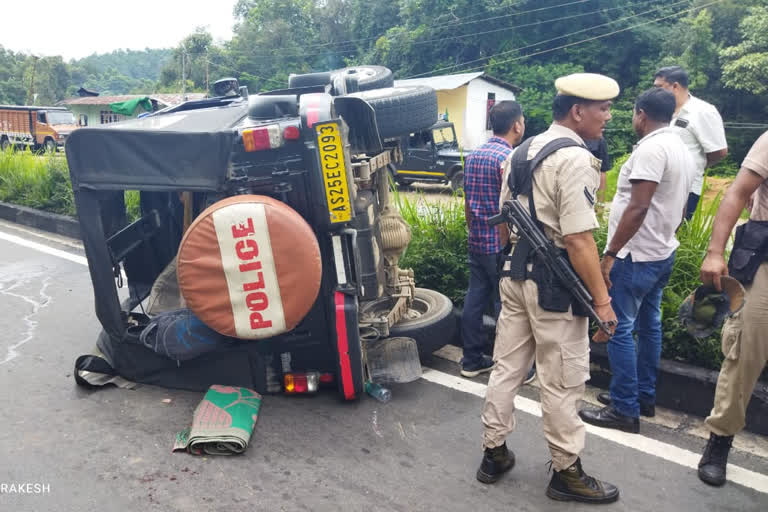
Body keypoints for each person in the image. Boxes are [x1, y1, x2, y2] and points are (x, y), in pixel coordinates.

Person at [477, 73, 620, 504]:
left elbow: (506, 219)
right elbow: (578, 239)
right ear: (578, 112)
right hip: (554, 287)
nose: (608, 118)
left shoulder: (521, 150)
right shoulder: (576, 159)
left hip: (515, 276)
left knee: (507, 367)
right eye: (602, 110)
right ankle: (567, 472)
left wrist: (512, 265)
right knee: (561, 380)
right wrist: (603, 301)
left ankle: (493, 452)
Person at [578, 88, 694, 434]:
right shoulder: (680, 147)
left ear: (641, 114)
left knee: (618, 327)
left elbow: (638, 207)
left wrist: (610, 253)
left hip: (635, 255)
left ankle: (625, 409)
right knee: (649, 325)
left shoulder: (652, 149)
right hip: (661, 251)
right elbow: (680, 205)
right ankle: (643, 396)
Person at [696, 130, 768, 487]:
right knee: (746, 352)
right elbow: (738, 191)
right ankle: (720, 440)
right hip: (765, 261)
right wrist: (714, 252)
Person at [460, 101, 525, 378]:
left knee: (474, 301)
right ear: (517, 125)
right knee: (506, 306)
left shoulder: (474, 155)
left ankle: (472, 360)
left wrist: (472, 230)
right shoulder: (510, 158)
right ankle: (508, 366)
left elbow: (467, 202)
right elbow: (510, 207)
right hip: (499, 244)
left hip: (476, 239)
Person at [653, 66, 728, 219]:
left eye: (659, 87)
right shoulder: (659, 110)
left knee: (675, 236)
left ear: (675, 86)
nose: (656, 92)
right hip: (656, 184)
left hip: (685, 188)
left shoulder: (703, 111)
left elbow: (719, 151)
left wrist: (695, 166)